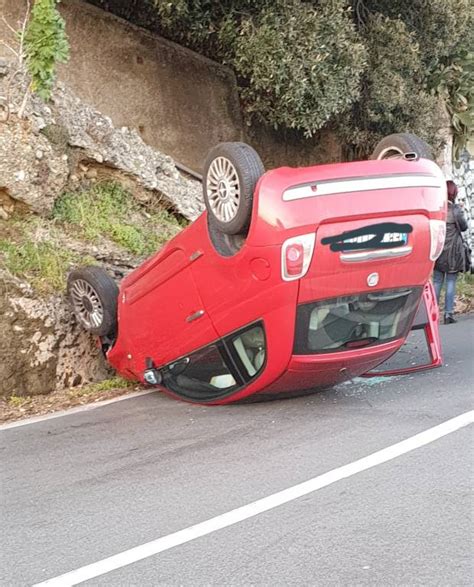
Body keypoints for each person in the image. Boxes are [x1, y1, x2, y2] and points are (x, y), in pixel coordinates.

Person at [433, 180, 468, 324]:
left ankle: (431, 313)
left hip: (438, 250)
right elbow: (464, 227)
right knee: (451, 281)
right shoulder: (455, 210)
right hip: (454, 252)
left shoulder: (437, 208)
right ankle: (448, 315)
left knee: (437, 281)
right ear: (454, 192)